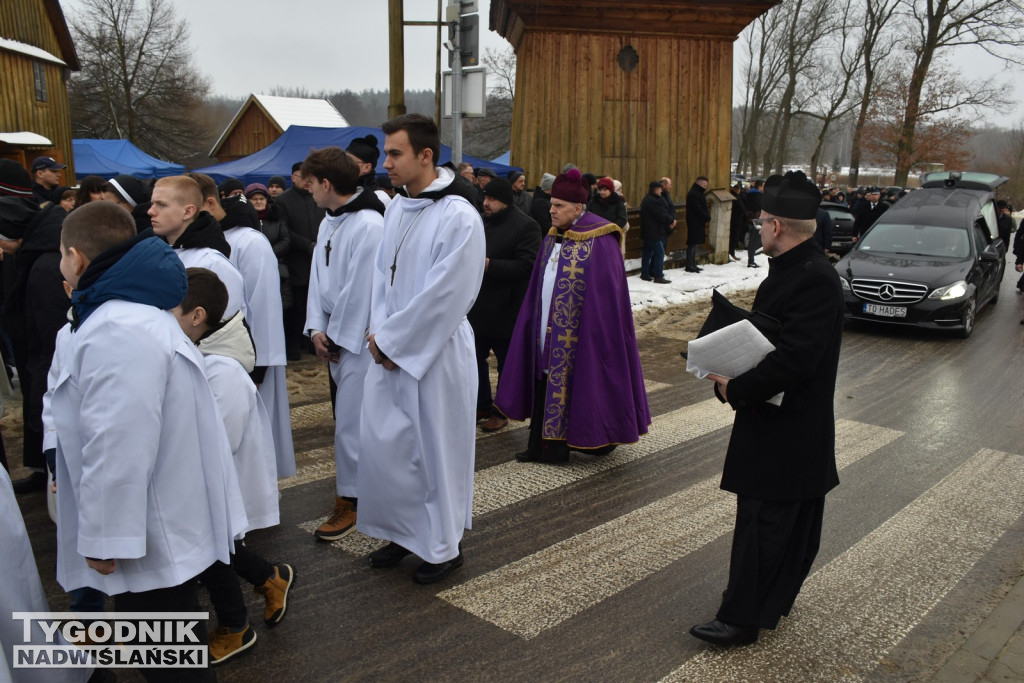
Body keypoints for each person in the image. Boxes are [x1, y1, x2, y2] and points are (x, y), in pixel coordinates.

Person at [52, 201, 248, 682]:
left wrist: (104, 534)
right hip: (159, 520)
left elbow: (118, 440)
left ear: (76, 259)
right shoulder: (132, 315)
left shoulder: (117, 327)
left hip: (148, 532)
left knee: (166, 659)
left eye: (60, 255)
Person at [689, 170, 843, 647]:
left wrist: (735, 388)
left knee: (767, 524)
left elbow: (794, 360)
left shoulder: (814, 278)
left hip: (788, 427)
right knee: (779, 522)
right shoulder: (797, 269)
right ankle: (769, 600)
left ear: (776, 226)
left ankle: (741, 619)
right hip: (780, 422)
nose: (758, 229)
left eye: (761, 223)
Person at [357, 113, 484, 585]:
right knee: (391, 450)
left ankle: (442, 546)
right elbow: (380, 279)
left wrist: (394, 341)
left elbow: (448, 293)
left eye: (394, 154)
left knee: (435, 452)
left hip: (437, 352)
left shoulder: (459, 216)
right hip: (388, 347)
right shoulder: (394, 208)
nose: (383, 162)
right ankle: (402, 533)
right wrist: (378, 335)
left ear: (425, 155)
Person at [172, 268, 295, 663]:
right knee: (219, 550)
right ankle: (269, 579)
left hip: (216, 480)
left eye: (170, 310)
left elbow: (221, 439)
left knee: (218, 551)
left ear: (197, 316)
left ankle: (236, 625)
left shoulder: (223, 370)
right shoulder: (200, 354)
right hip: (201, 480)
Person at [495, 168, 651, 464]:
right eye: (551, 204)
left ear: (578, 208)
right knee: (545, 382)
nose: (551, 211)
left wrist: (594, 331)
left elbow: (607, 296)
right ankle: (543, 447)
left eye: (558, 206)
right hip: (546, 328)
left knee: (581, 382)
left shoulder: (602, 238)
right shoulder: (553, 237)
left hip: (584, 332)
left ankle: (592, 439)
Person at [301, 146, 385, 542]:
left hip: (359, 340)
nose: (307, 189)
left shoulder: (369, 224)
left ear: (328, 184)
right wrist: (316, 327)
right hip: (335, 335)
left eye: (311, 183)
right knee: (346, 421)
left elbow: (362, 290)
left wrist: (335, 337)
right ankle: (361, 492)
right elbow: (318, 276)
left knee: (351, 425)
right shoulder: (329, 221)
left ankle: (350, 501)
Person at [188, 172, 295, 479]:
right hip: (220, 356)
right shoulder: (211, 239)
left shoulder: (250, 240)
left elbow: (262, 304)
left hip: (251, 356)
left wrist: (258, 363)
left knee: (254, 435)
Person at [469, 176, 541, 433]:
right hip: (478, 306)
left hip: (508, 309)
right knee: (473, 359)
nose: (486, 203)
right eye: (484, 198)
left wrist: (489, 265)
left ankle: (501, 411)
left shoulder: (527, 226)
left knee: (506, 364)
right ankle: (481, 404)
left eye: (491, 199)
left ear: (506, 201)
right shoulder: (480, 222)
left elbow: (527, 265)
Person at [148, 175, 246, 318]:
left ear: (188, 212)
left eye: (162, 204)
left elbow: (225, 330)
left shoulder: (213, 264)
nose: (150, 211)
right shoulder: (155, 254)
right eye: (152, 204)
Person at [277, 162, 326, 360]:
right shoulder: (283, 200)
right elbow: (284, 230)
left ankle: (312, 342)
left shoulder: (319, 198)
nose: (307, 182)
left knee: (315, 302)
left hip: (319, 258)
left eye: (310, 178)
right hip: (296, 259)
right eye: (302, 177)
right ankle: (294, 345)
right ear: (293, 177)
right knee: (296, 306)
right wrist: (307, 245)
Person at [246, 182, 293, 310]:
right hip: (254, 267)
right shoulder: (245, 220)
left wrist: (269, 253)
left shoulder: (277, 217)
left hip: (278, 266)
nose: (259, 202)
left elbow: (285, 239)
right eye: (254, 199)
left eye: (261, 198)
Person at [639, 180, 674, 283]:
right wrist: (671, 220)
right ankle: (658, 275)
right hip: (654, 232)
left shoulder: (647, 199)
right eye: (659, 189)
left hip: (647, 231)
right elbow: (661, 215)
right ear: (655, 189)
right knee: (660, 252)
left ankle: (645, 273)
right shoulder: (654, 201)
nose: (660, 191)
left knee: (647, 252)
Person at [346, 134, 392, 207]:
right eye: (343, 160)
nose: (343, 164)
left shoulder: (380, 198)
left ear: (367, 167)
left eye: (350, 161)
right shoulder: (340, 193)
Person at [685, 176, 710, 273]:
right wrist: (706, 216)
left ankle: (692, 263)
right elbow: (698, 208)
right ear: (700, 184)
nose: (705, 187)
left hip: (697, 221)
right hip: (694, 221)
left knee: (694, 243)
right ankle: (689, 265)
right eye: (705, 185)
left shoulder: (697, 193)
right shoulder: (693, 194)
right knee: (692, 243)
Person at [745, 179, 764, 268]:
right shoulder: (760, 197)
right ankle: (751, 261)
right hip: (757, 221)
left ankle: (751, 259)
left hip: (749, 219)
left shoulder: (748, 195)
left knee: (752, 240)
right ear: (760, 186)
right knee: (754, 240)